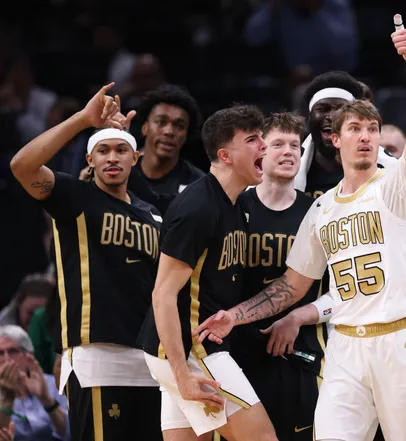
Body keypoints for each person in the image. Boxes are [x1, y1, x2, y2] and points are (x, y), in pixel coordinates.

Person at [195, 22, 406, 441]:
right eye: (355, 129)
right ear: (333, 139)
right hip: (344, 345)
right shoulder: (321, 207)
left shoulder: (399, 185)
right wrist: (233, 317)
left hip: (399, 340)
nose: (365, 137)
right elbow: (290, 287)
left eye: (372, 130)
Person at [9, 83, 163, 441]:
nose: (112, 157)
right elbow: (22, 165)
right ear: (90, 161)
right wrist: (83, 120)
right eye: (103, 150)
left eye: (121, 150)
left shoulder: (153, 215)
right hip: (98, 357)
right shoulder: (75, 197)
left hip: (150, 360)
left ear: (135, 159)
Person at [139, 104, 278, 441]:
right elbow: (163, 293)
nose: (264, 146)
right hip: (188, 349)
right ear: (225, 155)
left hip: (184, 347)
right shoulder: (198, 208)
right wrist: (182, 372)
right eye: (252, 139)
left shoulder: (235, 203)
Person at [232, 112, 328, 441]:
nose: (289, 152)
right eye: (278, 144)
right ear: (260, 151)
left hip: (298, 349)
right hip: (237, 348)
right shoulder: (233, 207)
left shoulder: (317, 211)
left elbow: (340, 291)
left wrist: (298, 317)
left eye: (295, 146)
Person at [294, 70, 397, 199]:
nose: (331, 116)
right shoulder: (291, 166)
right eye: (322, 109)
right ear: (309, 117)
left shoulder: (390, 168)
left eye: (340, 109)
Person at [131, 84, 204, 195]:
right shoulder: (122, 173)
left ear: (186, 135)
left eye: (179, 126)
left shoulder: (198, 186)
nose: (169, 131)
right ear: (144, 127)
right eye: (161, 122)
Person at [0, 325, 68, 441]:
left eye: (13, 351)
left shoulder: (52, 384)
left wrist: (46, 399)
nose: (7, 358)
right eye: (0, 353)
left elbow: (69, 433)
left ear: (29, 355)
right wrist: (7, 398)